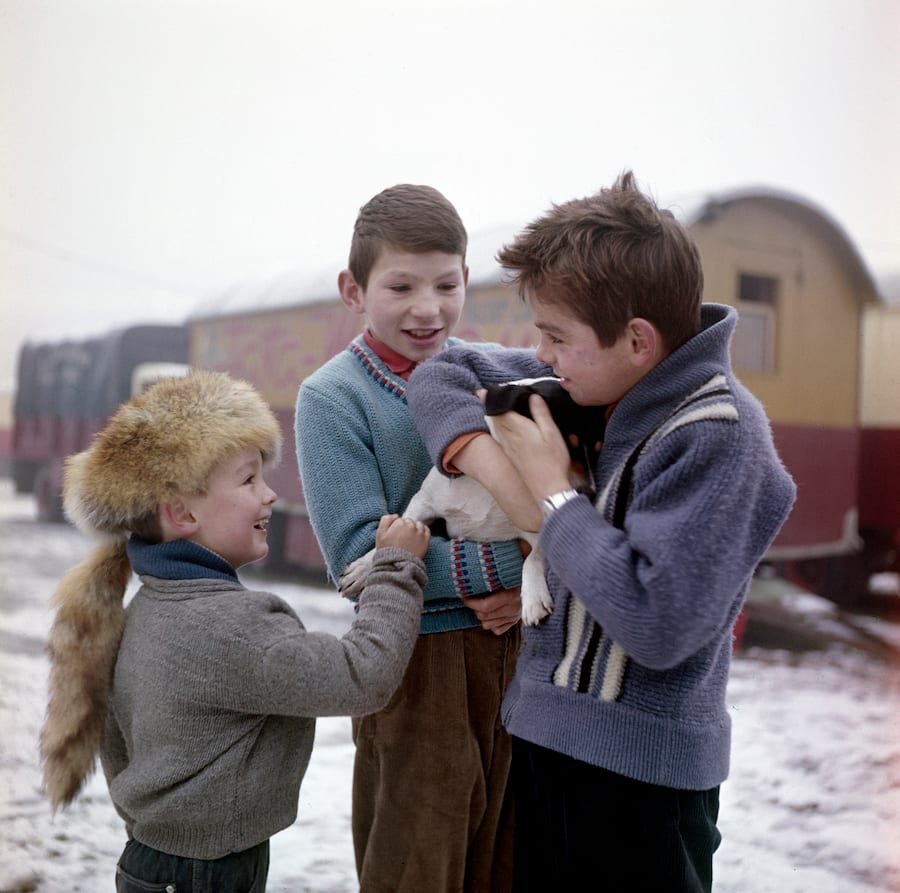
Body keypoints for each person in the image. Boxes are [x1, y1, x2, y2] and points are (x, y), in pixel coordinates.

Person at [405, 171, 798, 892]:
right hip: (549, 745)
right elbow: (440, 376)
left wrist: (555, 495)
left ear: (638, 339)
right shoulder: (596, 382)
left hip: (638, 784)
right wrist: (503, 470)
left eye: (555, 335)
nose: (540, 355)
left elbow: (656, 623)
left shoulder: (719, 437)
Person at [40, 370, 429, 893]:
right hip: (206, 873)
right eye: (249, 480)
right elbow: (361, 677)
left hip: (162, 861)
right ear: (181, 512)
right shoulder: (228, 626)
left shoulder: (150, 604)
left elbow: (117, 743)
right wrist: (396, 567)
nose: (269, 495)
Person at [295, 184, 525, 892]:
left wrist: (527, 588)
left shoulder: (496, 371)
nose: (428, 307)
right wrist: (513, 564)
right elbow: (363, 561)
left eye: (447, 283)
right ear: (353, 289)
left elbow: (562, 494)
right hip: (414, 660)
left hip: (520, 649)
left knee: (513, 856)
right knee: (417, 861)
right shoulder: (334, 398)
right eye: (401, 285)